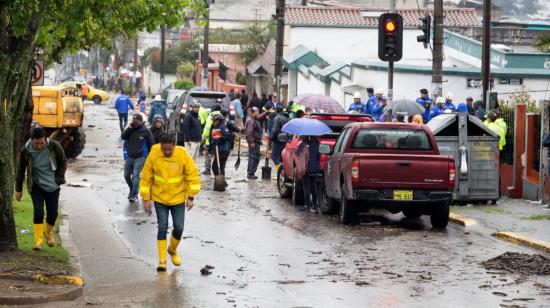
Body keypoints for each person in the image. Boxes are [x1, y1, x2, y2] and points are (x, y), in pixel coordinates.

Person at [140, 133, 201, 272]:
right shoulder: (154, 155)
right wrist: (146, 198)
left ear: (174, 145)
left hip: (178, 198)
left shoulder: (182, 154)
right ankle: (162, 261)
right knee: (162, 227)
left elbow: (192, 176)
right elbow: (145, 178)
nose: (167, 152)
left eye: (170, 149)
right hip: (160, 198)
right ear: (161, 146)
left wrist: (191, 197)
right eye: (164, 149)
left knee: (179, 228)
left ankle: (172, 250)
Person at [15, 127, 67, 250]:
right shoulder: (26, 150)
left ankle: (48, 233)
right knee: (38, 213)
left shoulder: (54, 146)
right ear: (31, 141)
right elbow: (21, 169)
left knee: (52, 214)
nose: (39, 146)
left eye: (42, 143)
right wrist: (18, 189)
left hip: (52, 185)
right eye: (36, 144)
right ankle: (38, 242)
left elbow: (63, 161)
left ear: (46, 140)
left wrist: (58, 178)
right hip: (36, 185)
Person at [122, 113, 153, 202]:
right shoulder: (130, 129)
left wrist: (150, 157)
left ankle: (133, 194)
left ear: (141, 121)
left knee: (135, 175)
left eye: (137, 121)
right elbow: (123, 137)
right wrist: (130, 127)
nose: (135, 123)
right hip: (130, 156)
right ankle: (133, 189)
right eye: (134, 120)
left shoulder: (146, 131)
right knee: (126, 175)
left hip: (140, 157)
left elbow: (151, 144)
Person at [298, 136, 321, 213]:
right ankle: (315, 205)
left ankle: (307, 205)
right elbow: (319, 156)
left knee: (306, 187)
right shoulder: (317, 144)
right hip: (315, 169)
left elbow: (297, 153)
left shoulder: (303, 144)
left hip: (306, 169)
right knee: (314, 187)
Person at [201, 105, 223, 175]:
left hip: (209, 141)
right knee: (218, 156)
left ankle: (208, 170)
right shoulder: (221, 116)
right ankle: (219, 171)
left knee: (208, 155)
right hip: (220, 141)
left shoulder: (210, 117)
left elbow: (207, 129)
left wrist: (203, 137)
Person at [209, 114, 231, 183]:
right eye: (213, 121)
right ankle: (221, 181)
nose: (213, 122)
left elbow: (227, 136)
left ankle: (221, 181)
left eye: (215, 121)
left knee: (216, 167)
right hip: (217, 149)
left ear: (218, 121)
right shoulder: (214, 127)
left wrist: (219, 139)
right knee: (220, 167)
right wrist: (210, 147)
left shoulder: (223, 127)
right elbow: (212, 138)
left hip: (223, 150)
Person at [246, 107, 263, 180]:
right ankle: (251, 173)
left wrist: (267, 112)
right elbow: (249, 132)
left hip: (255, 142)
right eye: (257, 112)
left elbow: (260, 116)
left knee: (252, 157)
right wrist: (252, 142)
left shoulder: (254, 119)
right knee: (254, 157)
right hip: (254, 142)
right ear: (253, 113)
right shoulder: (251, 121)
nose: (258, 113)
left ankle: (250, 173)